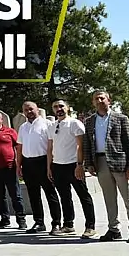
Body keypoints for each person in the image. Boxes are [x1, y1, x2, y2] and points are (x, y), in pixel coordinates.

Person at [83, 90, 129, 243]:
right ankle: (114, 229)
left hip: (120, 163)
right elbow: (87, 144)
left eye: (102, 98)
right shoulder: (89, 121)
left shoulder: (121, 118)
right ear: (93, 102)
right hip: (100, 162)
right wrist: (89, 163)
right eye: (96, 99)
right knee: (109, 199)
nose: (99, 101)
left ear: (109, 100)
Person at [48, 100, 96, 239]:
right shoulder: (52, 126)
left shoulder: (75, 123)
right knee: (64, 197)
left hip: (73, 165)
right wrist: (49, 167)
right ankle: (68, 224)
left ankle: (90, 226)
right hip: (57, 166)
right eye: (55, 107)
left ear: (68, 108)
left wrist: (80, 165)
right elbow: (50, 148)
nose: (59, 109)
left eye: (61, 106)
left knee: (83, 196)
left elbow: (81, 146)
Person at [16, 102, 62, 234]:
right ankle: (39, 222)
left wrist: (50, 166)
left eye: (31, 109)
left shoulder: (47, 124)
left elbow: (52, 146)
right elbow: (20, 147)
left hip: (43, 162)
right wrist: (18, 165)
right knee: (33, 195)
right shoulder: (23, 127)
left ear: (37, 109)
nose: (29, 112)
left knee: (50, 193)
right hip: (28, 163)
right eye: (26, 110)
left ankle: (56, 223)